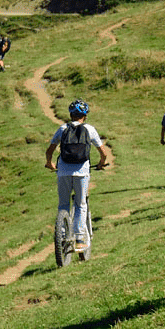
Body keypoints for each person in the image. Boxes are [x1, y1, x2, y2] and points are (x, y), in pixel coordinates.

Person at [45, 99, 108, 252]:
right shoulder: (90, 129)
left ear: (71, 114)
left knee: (63, 205)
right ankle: (80, 239)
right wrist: (101, 163)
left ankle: (62, 236)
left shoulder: (62, 128)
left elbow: (50, 151)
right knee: (80, 204)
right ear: (85, 115)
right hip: (82, 173)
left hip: (63, 172)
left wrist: (50, 163)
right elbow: (103, 154)